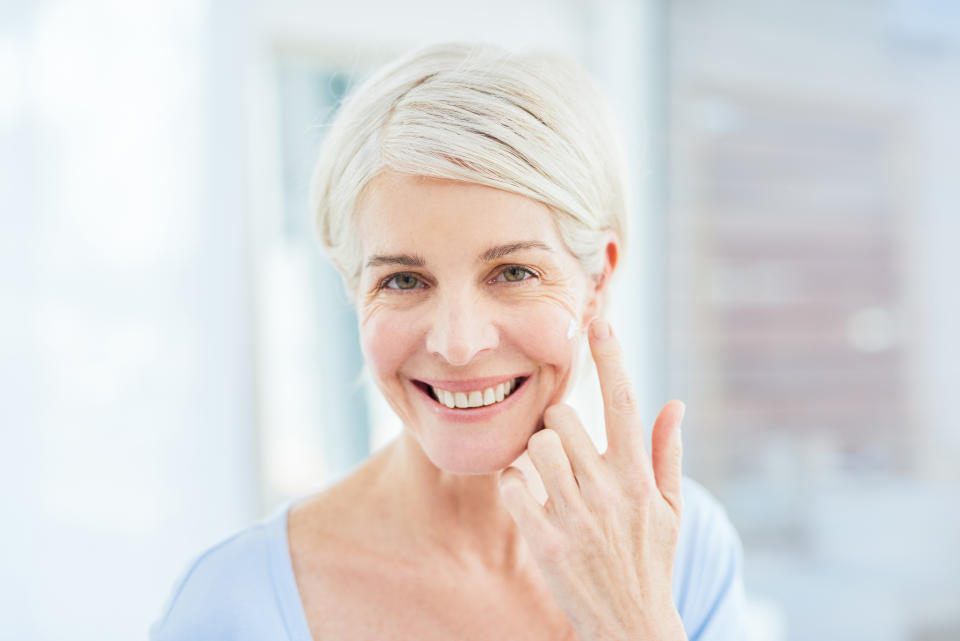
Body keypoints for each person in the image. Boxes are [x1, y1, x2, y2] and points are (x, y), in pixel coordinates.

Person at [150, 42, 747, 640]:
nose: (458, 345)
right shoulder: (234, 606)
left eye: (513, 272)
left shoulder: (683, 551)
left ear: (598, 281)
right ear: (354, 291)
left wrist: (635, 621)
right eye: (404, 280)